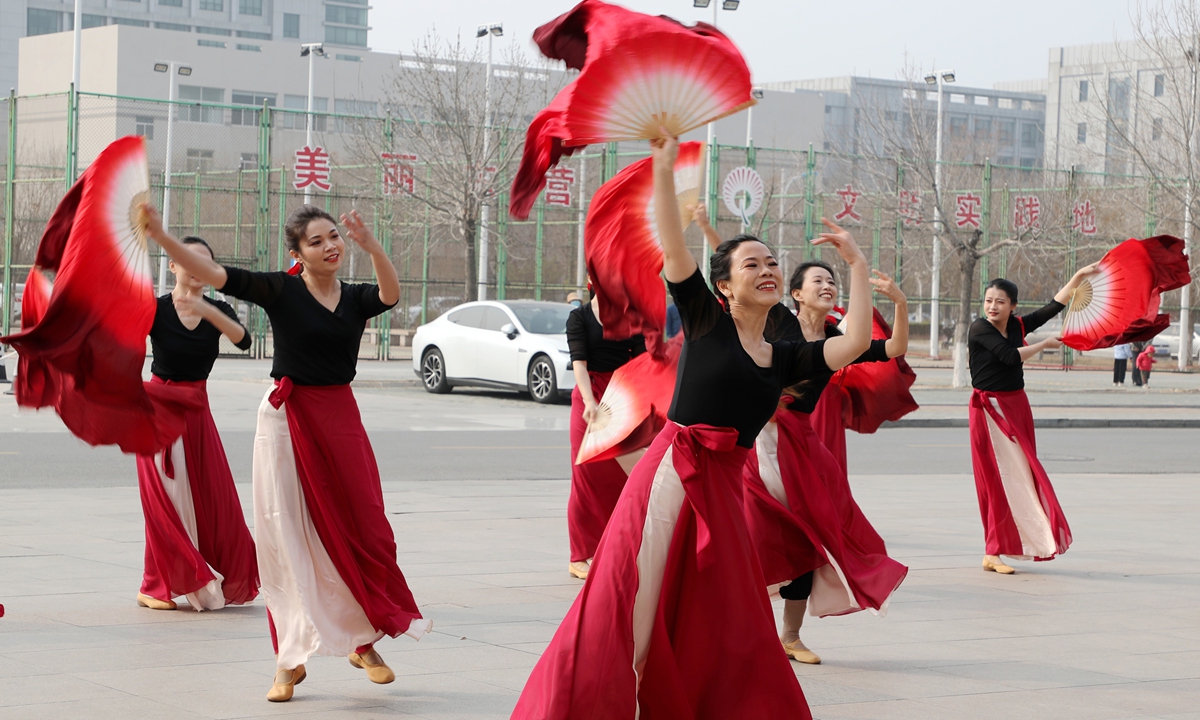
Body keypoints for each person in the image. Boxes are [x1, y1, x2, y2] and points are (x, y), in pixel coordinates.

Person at [510, 133, 872, 719]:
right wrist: (663, 163)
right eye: (752, 264)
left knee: (726, 614)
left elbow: (854, 341)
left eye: (773, 263)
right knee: (629, 596)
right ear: (724, 286)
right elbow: (674, 246)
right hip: (669, 476)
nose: (768, 270)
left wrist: (854, 261)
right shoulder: (706, 321)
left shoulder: (786, 357)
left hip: (724, 490)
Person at [143, 203, 430, 703]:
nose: (330, 246)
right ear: (296, 253)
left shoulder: (356, 297)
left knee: (363, 529)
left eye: (334, 236)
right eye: (316, 241)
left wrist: (372, 245)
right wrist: (160, 233)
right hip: (284, 419)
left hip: (340, 421)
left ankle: (361, 640)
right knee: (286, 539)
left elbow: (391, 294)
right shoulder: (280, 289)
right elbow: (213, 273)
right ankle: (288, 659)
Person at [743, 261, 910, 666]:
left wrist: (901, 303)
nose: (827, 286)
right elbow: (741, 278)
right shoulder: (779, 320)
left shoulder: (837, 338)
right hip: (758, 439)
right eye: (818, 280)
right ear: (797, 293)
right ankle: (741, 629)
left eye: (832, 281)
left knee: (809, 538)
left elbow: (893, 349)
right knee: (752, 537)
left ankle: (790, 636)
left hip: (801, 445)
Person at [134, 236, 258, 613]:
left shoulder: (219, 309)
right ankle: (153, 586)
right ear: (172, 265)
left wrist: (207, 310)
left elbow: (243, 340)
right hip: (156, 412)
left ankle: (173, 578)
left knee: (212, 502)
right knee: (165, 502)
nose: (197, 267)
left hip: (198, 414)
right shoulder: (154, 309)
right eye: (188, 259)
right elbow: (119, 344)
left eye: (205, 262)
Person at [968, 269, 1097, 575]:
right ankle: (992, 550)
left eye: (1000, 301)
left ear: (1013, 305)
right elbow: (1010, 357)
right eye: (988, 301)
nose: (992, 307)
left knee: (1022, 477)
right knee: (998, 481)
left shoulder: (1017, 324)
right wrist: (1042, 346)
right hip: (990, 410)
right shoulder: (979, 329)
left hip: (1016, 405)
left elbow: (1053, 306)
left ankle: (1001, 548)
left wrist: (1078, 275)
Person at [566, 287, 647, 579]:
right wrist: (590, 402)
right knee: (587, 476)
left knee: (623, 477)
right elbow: (579, 361)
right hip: (589, 396)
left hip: (621, 396)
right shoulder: (580, 317)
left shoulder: (633, 317)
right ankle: (580, 556)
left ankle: (616, 549)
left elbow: (641, 365)